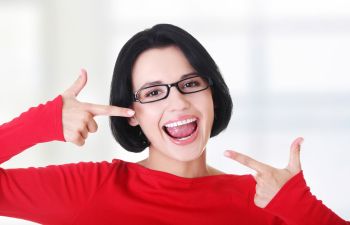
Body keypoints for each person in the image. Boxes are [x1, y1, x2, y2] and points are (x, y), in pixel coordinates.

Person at [0, 24, 348, 225]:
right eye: (153, 92)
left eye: (191, 84)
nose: (178, 101)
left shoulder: (268, 201)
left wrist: (305, 211)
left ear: (213, 96)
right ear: (131, 113)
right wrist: (40, 123)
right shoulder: (93, 188)